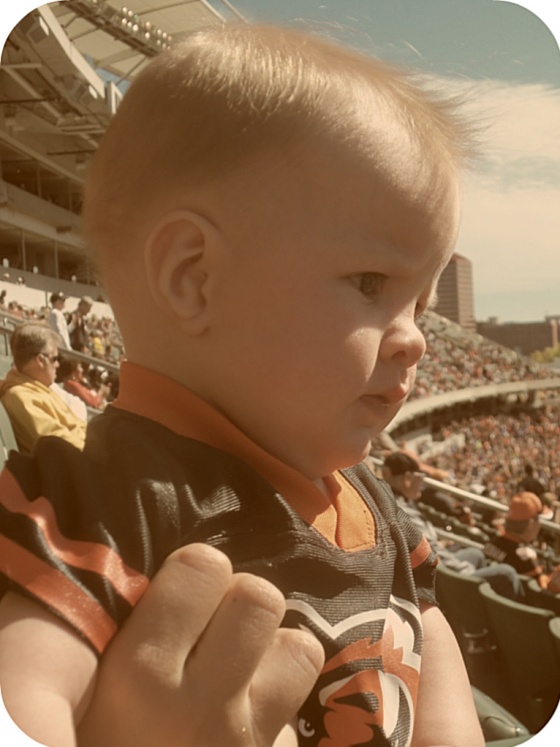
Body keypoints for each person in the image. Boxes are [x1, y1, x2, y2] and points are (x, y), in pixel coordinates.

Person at [0, 24, 484, 747]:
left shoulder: (375, 503)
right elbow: (27, 694)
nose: (415, 336)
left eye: (420, 304)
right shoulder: (99, 502)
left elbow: (432, 646)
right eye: (371, 283)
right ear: (194, 276)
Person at [382, 452, 523, 599]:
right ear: (407, 478)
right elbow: (433, 559)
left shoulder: (395, 501)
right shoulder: (402, 511)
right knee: (507, 573)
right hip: (444, 579)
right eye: (421, 477)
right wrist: (467, 571)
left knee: (477, 555)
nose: (423, 483)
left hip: (437, 570)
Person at [0, 321, 86, 453]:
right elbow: (61, 444)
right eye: (55, 358)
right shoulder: (21, 398)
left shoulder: (38, 388)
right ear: (40, 360)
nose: (57, 364)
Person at [484, 491, 556, 590]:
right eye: (538, 520)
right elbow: (543, 591)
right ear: (530, 525)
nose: (539, 525)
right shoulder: (526, 557)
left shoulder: (491, 543)